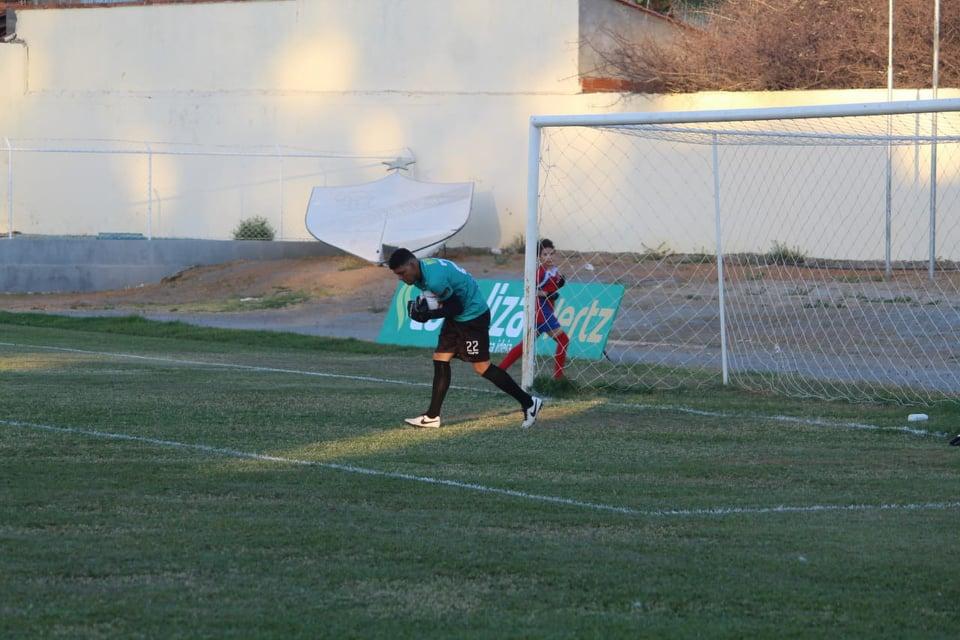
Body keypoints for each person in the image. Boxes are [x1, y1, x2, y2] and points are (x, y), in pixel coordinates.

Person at [387, 248, 543, 429]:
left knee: (481, 367)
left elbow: (457, 307)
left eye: (402, 273)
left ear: (412, 264)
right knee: (440, 358)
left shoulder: (434, 278)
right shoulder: (421, 270)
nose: (401, 277)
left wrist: (429, 314)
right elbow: (446, 299)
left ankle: (529, 403)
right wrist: (427, 307)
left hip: (473, 317)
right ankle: (432, 417)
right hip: (458, 317)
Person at [498, 238, 570, 380]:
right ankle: (558, 377)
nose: (549, 257)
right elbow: (530, 290)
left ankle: (499, 370)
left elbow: (551, 287)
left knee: (526, 344)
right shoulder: (540, 272)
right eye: (545, 254)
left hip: (545, 311)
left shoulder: (554, 271)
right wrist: (549, 294)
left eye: (551, 254)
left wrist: (559, 285)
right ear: (539, 257)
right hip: (542, 312)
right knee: (564, 340)